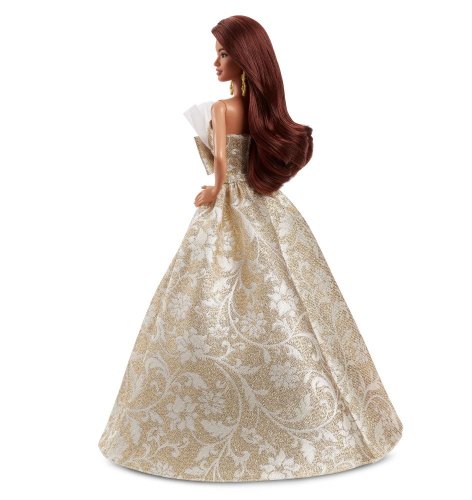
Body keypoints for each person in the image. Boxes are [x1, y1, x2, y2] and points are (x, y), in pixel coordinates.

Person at [97, 15, 403, 482]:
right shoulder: (261, 113)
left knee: (202, 303)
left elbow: (222, 168)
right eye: (217, 53)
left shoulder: (223, 110)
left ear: (244, 60)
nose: (215, 62)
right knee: (293, 298)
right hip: (267, 208)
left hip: (228, 205)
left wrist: (210, 191)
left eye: (223, 54)